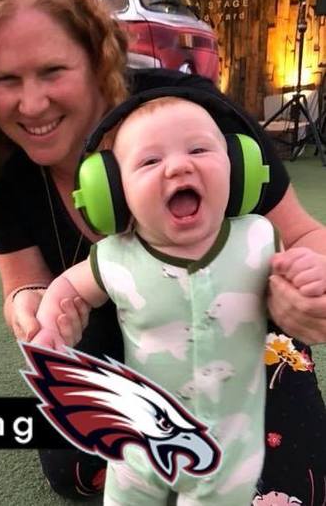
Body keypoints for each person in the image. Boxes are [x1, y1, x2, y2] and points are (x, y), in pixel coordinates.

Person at [0, 0, 326, 504]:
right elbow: (21, 284)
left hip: (240, 322)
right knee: (74, 471)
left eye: (53, 71)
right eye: (7, 80)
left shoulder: (195, 117)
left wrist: (305, 293)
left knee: (295, 489)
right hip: (117, 325)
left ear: (98, 58)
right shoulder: (1, 161)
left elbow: (305, 236)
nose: (32, 104)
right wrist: (35, 310)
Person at [31, 96, 326, 505]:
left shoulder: (258, 238)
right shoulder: (115, 257)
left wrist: (309, 272)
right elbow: (68, 286)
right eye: (150, 161)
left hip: (231, 432)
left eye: (199, 150)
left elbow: (292, 271)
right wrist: (50, 322)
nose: (178, 167)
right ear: (115, 194)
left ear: (237, 167)